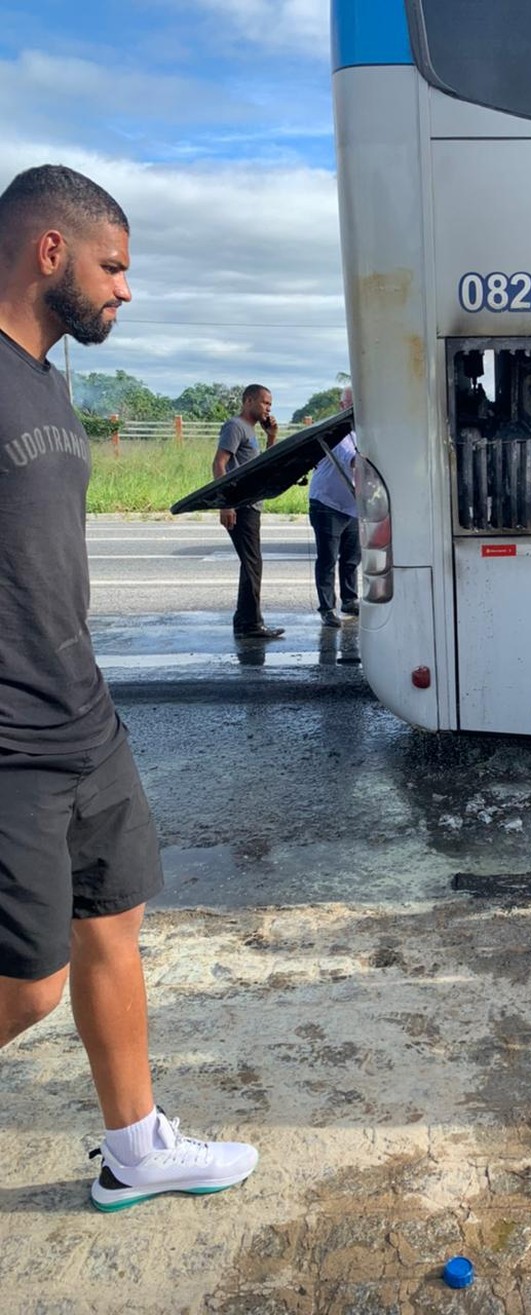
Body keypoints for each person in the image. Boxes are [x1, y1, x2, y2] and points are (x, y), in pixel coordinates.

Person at [0, 164, 258, 1210]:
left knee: (113, 924)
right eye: (114, 265)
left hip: (85, 717)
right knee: (27, 985)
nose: (125, 289)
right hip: (10, 737)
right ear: (48, 251)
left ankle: (136, 1147)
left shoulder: (51, 384)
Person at [213, 385, 284, 639]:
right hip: (240, 506)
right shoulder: (235, 426)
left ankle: (244, 621)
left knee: (250, 564)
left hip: (251, 505)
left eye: (270, 405)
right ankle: (251, 624)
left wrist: (271, 437)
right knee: (253, 564)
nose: (268, 408)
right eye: (265, 403)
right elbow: (219, 464)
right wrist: (226, 503)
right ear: (249, 400)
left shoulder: (251, 431)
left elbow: (263, 467)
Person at [308, 385, 360, 627]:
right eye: (351, 403)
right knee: (328, 558)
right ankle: (327, 608)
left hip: (353, 506)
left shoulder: (365, 431)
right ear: (342, 406)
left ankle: (350, 600)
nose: (355, 408)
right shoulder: (336, 432)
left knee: (352, 558)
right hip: (327, 503)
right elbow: (353, 460)